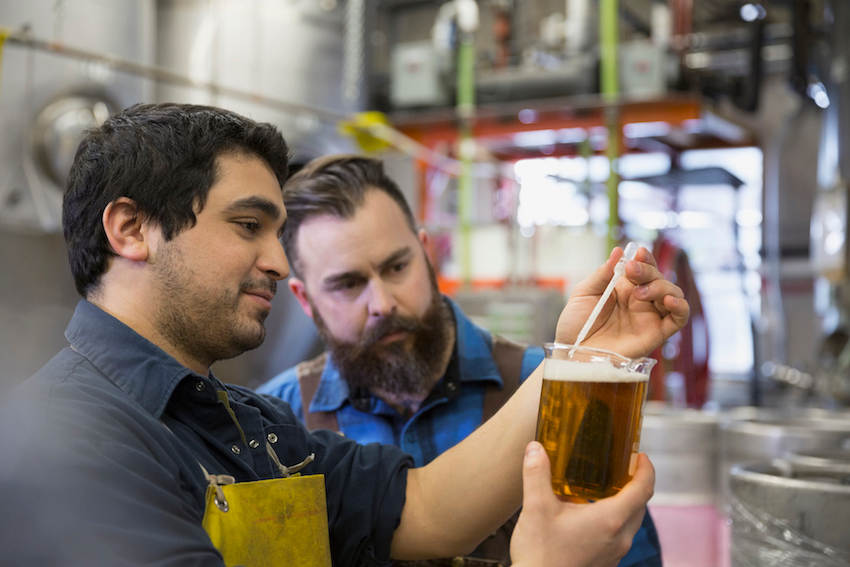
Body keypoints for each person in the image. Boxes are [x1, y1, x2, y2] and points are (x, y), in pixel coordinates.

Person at [0, 103, 689, 567]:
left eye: (276, 232)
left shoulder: (247, 421)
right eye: (249, 225)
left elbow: (420, 510)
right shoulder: (63, 445)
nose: (275, 259)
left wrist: (581, 358)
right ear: (131, 229)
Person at [257, 155, 664, 566]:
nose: (382, 304)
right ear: (305, 299)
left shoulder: (555, 389)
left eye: (397, 267)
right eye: (347, 284)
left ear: (427, 253)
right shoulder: (272, 425)